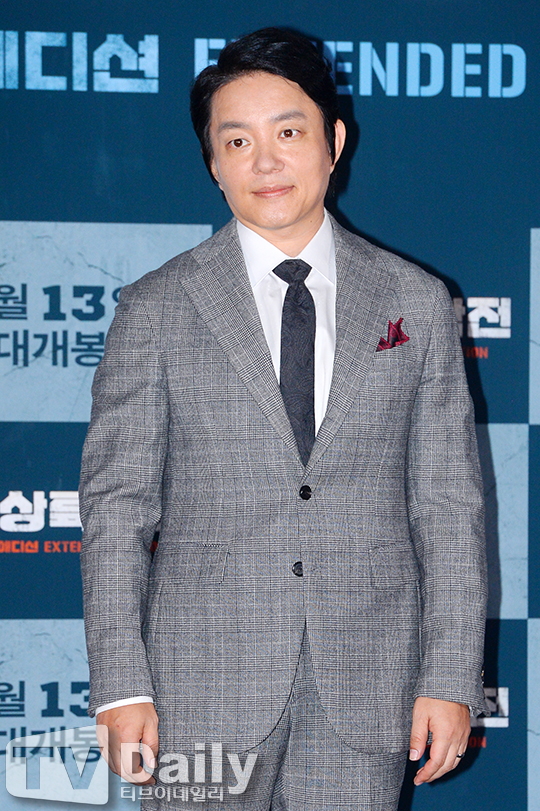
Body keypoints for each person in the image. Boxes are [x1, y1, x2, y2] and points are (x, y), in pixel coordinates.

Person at [79, 27, 488, 811]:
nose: (265, 162)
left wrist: (448, 675)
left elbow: (447, 505)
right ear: (214, 164)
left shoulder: (416, 302)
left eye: (288, 133)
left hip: (366, 687)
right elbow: (117, 508)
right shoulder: (157, 306)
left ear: (334, 142)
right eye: (237, 141)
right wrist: (121, 684)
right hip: (198, 691)